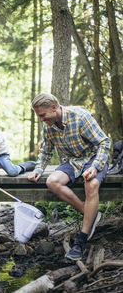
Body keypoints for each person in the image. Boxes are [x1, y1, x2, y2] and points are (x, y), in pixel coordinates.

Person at [28, 93, 110, 261]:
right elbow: (46, 151)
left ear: (53, 107)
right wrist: (38, 169)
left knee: (91, 184)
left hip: (94, 157)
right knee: (52, 181)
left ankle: (81, 241)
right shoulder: (49, 126)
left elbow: (104, 142)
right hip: (73, 161)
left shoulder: (80, 116)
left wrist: (95, 167)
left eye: (42, 115)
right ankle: (91, 215)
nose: (41, 119)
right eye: (39, 116)